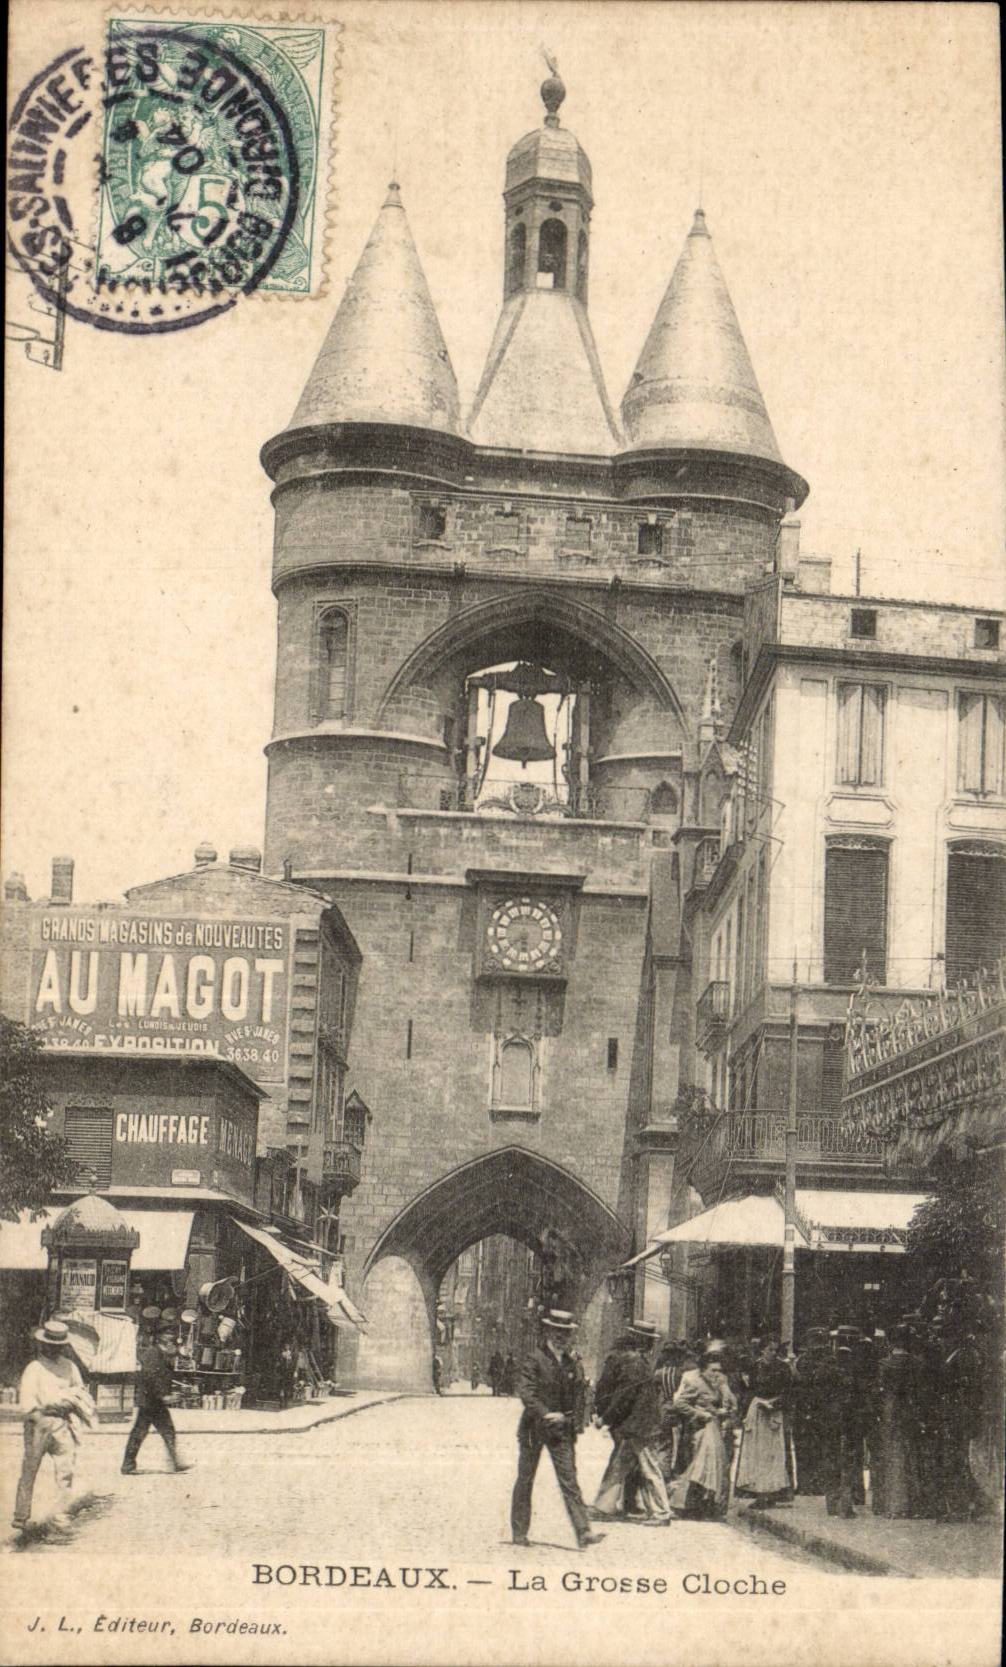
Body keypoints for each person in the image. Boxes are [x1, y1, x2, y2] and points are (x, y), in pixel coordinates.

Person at [510, 1310, 604, 1550]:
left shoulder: (572, 1363)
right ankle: (519, 1532)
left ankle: (583, 1532)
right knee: (525, 1479)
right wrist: (544, 1413)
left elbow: (576, 1396)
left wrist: (575, 1421)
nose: (563, 1337)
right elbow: (527, 1392)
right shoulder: (534, 1359)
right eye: (558, 1332)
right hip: (534, 1427)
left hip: (561, 1431)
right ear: (550, 1332)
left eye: (567, 1333)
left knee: (569, 1481)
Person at [13, 1319, 95, 1533]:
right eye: (50, 1345)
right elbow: (27, 1403)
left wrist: (73, 1402)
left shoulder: (69, 1366)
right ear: (42, 1344)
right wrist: (50, 1406)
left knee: (65, 1470)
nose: (54, 1349)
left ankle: (59, 1516)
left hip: (63, 1423)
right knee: (29, 1470)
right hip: (39, 1422)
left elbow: (80, 1390)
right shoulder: (34, 1368)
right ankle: (21, 1516)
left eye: (58, 1345)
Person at [593, 1320, 671, 1522]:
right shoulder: (641, 1362)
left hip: (639, 1426)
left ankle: (662, 1512)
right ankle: (604, 1507)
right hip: (639, 1425)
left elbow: (625, 1396)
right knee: (619, 1467)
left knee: (649, 1468)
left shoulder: (634, 1362)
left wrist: (605, 1418)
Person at [669, 1340, 738, 1519]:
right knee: (701, 1467)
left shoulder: (720, 1382)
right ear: (703, 1369)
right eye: (712, 1370)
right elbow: (680, 1404)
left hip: (716, 1430)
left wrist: (724, 1409)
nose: (716, 1373)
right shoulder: (695, 1382)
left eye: (718, 1370)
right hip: (700, 1431)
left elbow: (729, 1404)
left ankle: (707, 1506)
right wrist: (700, 1414)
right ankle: (689, 1505)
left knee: (714, 1467)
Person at [122, 1328, 191, 1475]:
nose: (172, 1341)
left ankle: (129, 1465)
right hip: (151, 1400)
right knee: (150, 1432)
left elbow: (163, 1375)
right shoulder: (153, 1354)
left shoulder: (161, 1354)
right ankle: (128, 1465)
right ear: (161, 1339)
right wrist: (163, 1395)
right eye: (169, 1338)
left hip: (153, 1400)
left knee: (158, 1431)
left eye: (173, 1338)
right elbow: (151, 1377)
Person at [734, 1336, 793, 1507]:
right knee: (757, 1453)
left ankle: (774, 1491)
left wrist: (775, 1403)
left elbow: (788, 1391)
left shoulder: (783, 1368)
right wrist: (753, 1405)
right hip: (758, 1412)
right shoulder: (755, 1366)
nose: (773, 1353)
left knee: (774, 1452)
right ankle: (760, 1492)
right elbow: (749, 1389)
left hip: (774, 1412)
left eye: (776, 1350)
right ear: (762, 1350)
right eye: (770, 1350)